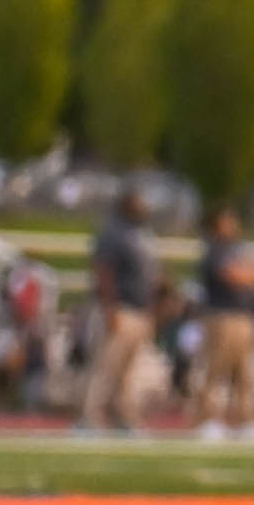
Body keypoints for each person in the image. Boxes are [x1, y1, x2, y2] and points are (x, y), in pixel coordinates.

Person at [81, 183, 159, 433]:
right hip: (120, 308)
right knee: (105, 368)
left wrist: (152, 309)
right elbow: (103, 271)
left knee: (128, 372)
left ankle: (123, 418)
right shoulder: (112, 233)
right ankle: (90, 418)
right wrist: (109, 307)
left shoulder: (141, 233)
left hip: (139, 310)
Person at [189, 205, 254, 442]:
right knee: (216, 370)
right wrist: (249, 274)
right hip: (221, 317)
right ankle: (207, 419)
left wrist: (250, 274)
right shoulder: (214, 251)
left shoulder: (237, 250)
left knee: (244, 373)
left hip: (243, 316)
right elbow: (236, 276)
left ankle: (246, 419)